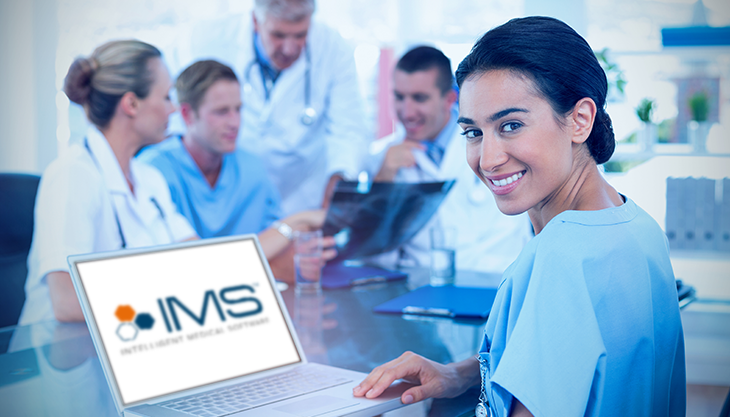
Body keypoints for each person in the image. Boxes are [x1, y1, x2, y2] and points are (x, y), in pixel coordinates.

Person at [354, 17, 686, 416]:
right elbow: (571, 362)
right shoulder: (637, 226)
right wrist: (461, 374)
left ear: (580, 119)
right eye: (473, 133)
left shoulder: (559, 259)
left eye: (511, 125)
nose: (488, 159)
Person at [19, 40, 197, 324]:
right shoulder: (72, 175)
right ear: (131, 104)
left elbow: (198, 261)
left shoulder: (150, 179)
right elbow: (67, 302)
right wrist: (170, 299)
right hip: (63, 360)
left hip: (133, 344)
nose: (173, 110)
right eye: (166, 97)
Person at [140, 60, 333, 278]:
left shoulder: (252, 168)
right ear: (187, 114)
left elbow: (281, 246)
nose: (235, 122)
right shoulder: (152, 172)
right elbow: (176, 269)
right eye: (221, 112)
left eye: (238, 110)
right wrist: (278, 259)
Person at [367, 46, 532, 273]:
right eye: (399, 97)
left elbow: (512, 235)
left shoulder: (493, 145)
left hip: (495, 281)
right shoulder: (383, 157)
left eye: (419, 98)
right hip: (421, 291)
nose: (407, 111)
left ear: (449, 99)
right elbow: (373, 253)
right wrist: (384, 180)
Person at [238, 0, 370, 215]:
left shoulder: (332, 47)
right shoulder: (212, 40)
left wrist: (341, 176)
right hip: (239, 194)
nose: (289, 49)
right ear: (255, 21)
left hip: (305, 197)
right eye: (278, 35)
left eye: (300, 35)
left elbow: (349, 128)